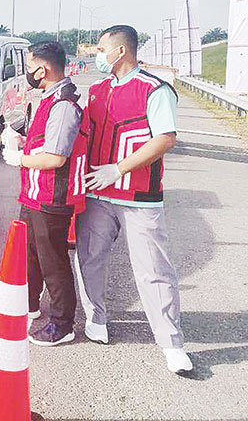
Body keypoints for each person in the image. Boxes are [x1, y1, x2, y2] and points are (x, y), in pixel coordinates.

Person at [77, 24, 192, 374]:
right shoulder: (97, 90)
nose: (97, 56)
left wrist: (120, 168)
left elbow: (165, 138)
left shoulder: (155, 89)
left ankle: (171, 343)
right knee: (90, 258)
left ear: (121, 51)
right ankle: (96, 319)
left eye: (100, 50)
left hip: (139, 196)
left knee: (153, 270)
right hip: (97, 192)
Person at [2, 41, 88, 346]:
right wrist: (21, 137)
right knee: (31, 257)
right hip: (35, 195)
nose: (27, 73)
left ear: (43, 69)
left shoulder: (64, 105)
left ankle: (63, 324)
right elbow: (43, 139)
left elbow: (56, 157)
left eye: (28, 67)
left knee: (53, 262)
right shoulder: (49, 98)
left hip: (52, 198)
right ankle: (30, 306)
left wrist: (19, 159)